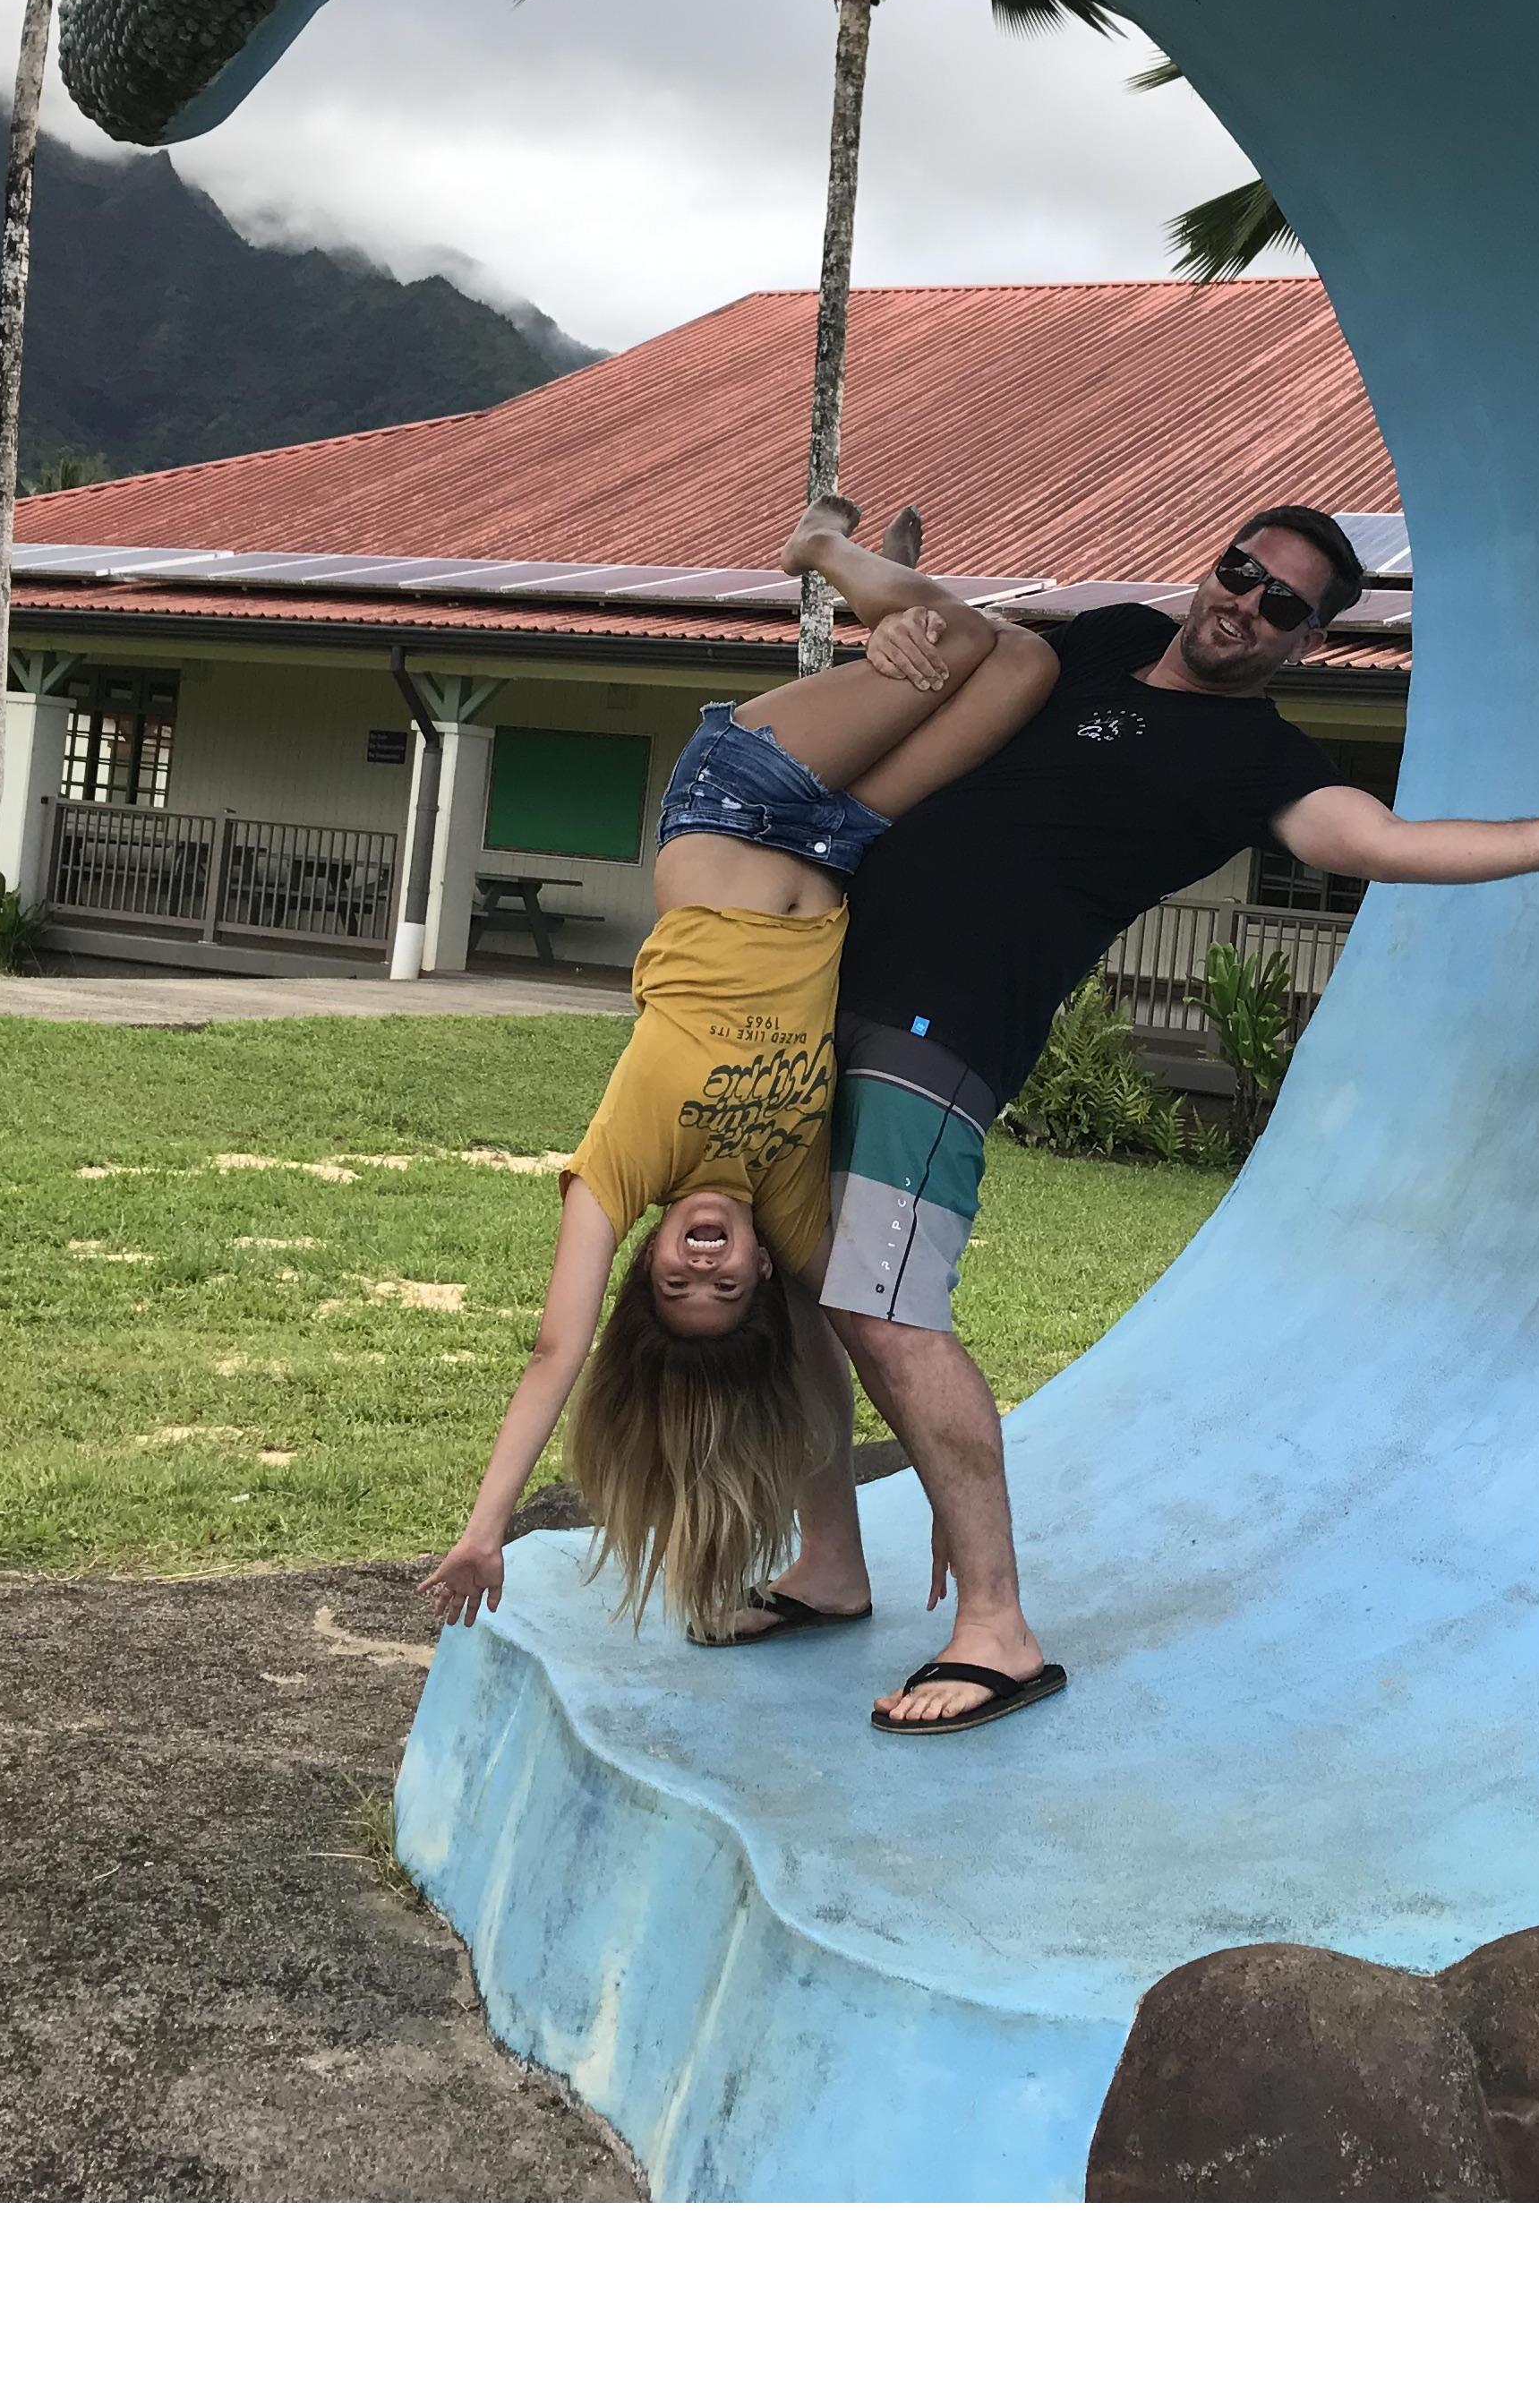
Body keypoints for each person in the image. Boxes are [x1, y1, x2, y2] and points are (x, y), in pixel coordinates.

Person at [798, 505, 1539, 1735]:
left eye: (1284, 603)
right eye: (1241, 571)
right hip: (822, 983)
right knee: (796, 1280)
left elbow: (1386, 842)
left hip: (945, 1029)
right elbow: (954, 630)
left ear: (1309, 639)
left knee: (884, 1306)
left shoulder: (1262, 763)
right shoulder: (1105, 636)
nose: (1246, 603)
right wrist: (835, 561)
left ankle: (998, 1629)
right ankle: (826, 1564)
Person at [420, 509, 1060, 1645]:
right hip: (842, 841)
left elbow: (555, 1353)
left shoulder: (624, 1165)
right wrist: (959, 1517)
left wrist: (485, 1527)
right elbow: (856, 1356)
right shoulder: (786, 1211)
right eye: (728, 1288)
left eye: (677, 1281)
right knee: (1025, 665)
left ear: (646, 1263)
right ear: (763, 1274)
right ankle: (885, 598)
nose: (707, 1264)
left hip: (735, 801)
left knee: (950, 640)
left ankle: (824, 553)